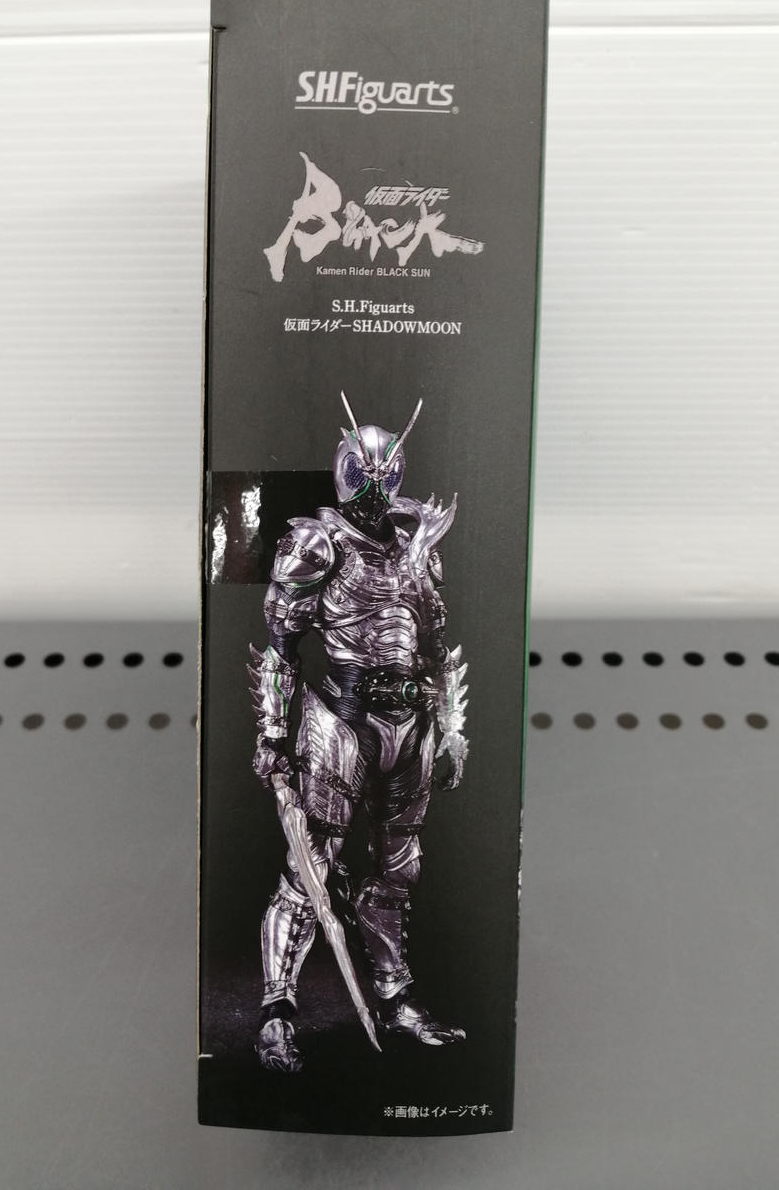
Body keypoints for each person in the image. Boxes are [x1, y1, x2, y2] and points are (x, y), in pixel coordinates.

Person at [247, 393, 469, 1072]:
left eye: (386, 475)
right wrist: (273, 735)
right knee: (310, 867)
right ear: (344, 471)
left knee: (398, 868)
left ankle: (396, 1000)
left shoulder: (419, 550)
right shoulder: (317, 543)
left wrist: (450, 729)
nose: (374, 488)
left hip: (410, 726)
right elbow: (281, 645)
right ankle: (277, 1014)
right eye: (362, 474)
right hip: (342, 724)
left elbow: (436, 651)